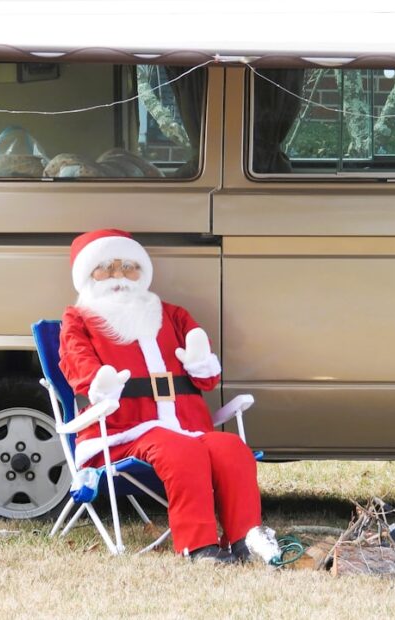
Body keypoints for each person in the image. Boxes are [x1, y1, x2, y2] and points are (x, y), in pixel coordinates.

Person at [58, 229, 280, 564]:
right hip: (120, 432)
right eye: (106, 267)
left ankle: (245, 540)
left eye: (128, 267)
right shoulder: (78, 318)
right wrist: (99, 381)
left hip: (186, 425)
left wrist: (199, 358)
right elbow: (76, 361)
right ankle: (200, 546)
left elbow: (207, 380)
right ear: (88, 275)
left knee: (232, 448)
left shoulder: (172, 314)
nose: (119, 276)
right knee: (180, 450)